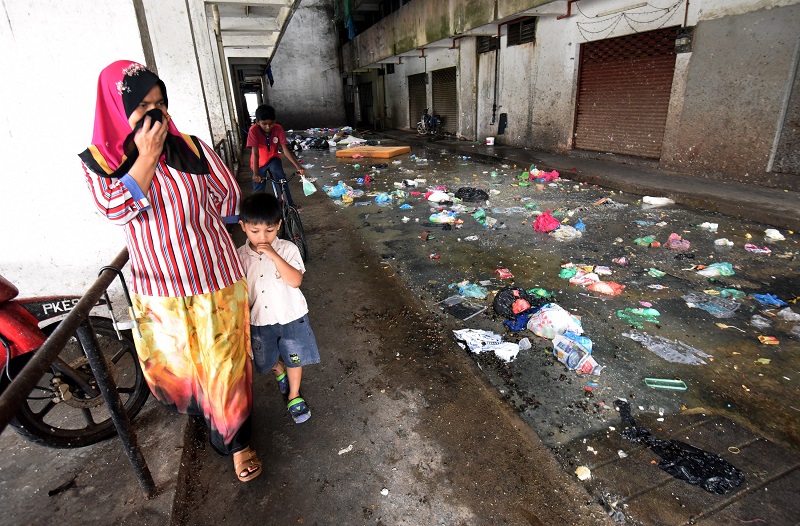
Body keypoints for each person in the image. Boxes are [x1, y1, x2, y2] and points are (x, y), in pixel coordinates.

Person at [80, 60, 261, 482]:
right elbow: (115, 209)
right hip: (159, 292)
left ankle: (237, 442)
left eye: (160, 104)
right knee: (184, 368)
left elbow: (229, 199)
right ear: (113, 107)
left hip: (215, 277)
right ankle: (213, 414)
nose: (155, 115)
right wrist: (145, 158)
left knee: (227, 363)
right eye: (141, 106)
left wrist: (192, 223)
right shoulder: (101, 162)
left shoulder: (193, 147)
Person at [237, 193, 320, 423]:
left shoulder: (288, 249)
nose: (263, 237)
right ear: (243, 226)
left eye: (270, 231)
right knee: (265, 360)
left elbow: (295, 281)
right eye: (255, 232)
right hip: (259, 321)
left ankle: (294, 395)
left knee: (296, 357)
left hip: (291, 316)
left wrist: (273, 255)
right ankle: (279, 371)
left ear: (279, 226)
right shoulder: (239, 256)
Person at [246, 104, 305, 206]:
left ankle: (289, 204)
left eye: (271, 123)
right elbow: (255, 154)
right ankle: (257, 211)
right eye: (264, 124)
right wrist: (256, 173)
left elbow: (285, 150)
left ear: (275, 121)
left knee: (282, 180)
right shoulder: (253, 131)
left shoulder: (278, 129)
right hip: (259, 163)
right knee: (258, 187)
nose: (268, 127)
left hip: (273, 158)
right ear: (257, 122)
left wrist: (299, 167)